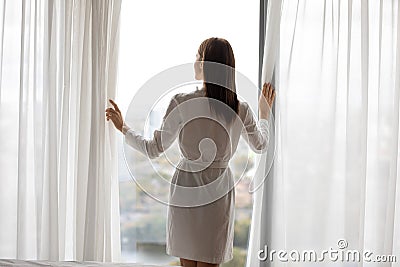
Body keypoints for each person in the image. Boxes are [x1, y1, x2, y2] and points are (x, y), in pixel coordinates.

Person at [106, 37, 276, 267]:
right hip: (218, 192)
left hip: (186, 189)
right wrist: (264, 114)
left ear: (206, 64)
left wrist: (123, 128)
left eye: (198, 57)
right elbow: (261, 144)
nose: (194, 62)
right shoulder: (239, 108)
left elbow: (153, 148)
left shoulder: (182, 102)